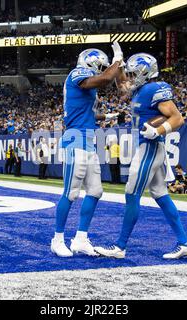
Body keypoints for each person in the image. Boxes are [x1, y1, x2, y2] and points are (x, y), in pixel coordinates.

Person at [95, 52, 187, 260]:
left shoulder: (153, 88)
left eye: (133, 73)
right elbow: (122, 86)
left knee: (132, 194)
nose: (130, 77)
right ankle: (184, 243)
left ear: (144, 72)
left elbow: (177, 118)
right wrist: (119, 63)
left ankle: (120, 246)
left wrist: (158, 131)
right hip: (148, 146)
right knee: (160, 194)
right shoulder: (140, 89)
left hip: (150, 146)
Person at [51, 42, 125, 257]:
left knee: (95, 191)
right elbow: (103, 79)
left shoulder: (83, 83)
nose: (101, 71)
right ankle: (57, 239)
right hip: (75, 140)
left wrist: (107, 116)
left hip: (88, 139)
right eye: (99, 66)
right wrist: (117, 61)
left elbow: (86, 113)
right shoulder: (77, 73)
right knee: (71, 193)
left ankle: (80, 238)